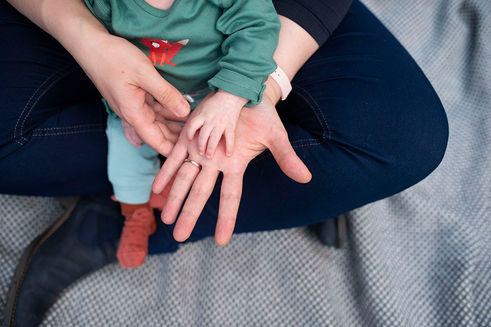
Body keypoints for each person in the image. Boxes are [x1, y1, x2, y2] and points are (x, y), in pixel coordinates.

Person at [1, 0, 448, 255]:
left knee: (405, 138)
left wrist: (249, 92)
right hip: (136, 66)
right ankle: (136, 203)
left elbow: (254, 27)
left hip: (245, 50)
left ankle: (148, 217)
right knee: (128, 146)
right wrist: (89, 44)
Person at [83, 0, 281, 268]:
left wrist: (230, 97)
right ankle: (135, 210)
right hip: (145, 95)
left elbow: (258, 27)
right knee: (123, 148)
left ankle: (173, 190)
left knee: (217, 151)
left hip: (216, 89)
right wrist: (121, 104)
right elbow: (100, 56)